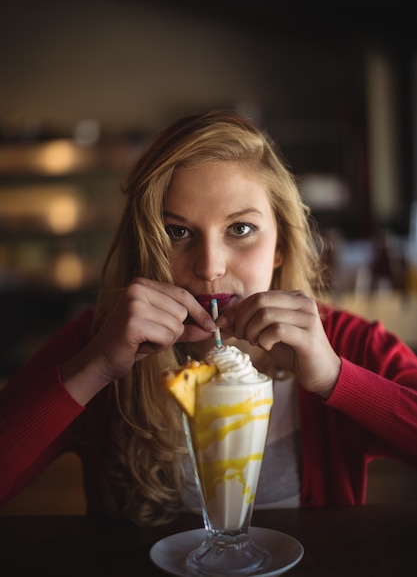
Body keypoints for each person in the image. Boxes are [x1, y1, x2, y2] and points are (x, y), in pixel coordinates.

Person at [1, 110, 416, 526]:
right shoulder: (97, 343)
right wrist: (94, 369)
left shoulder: (347, 344)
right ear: (145, 246)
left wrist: (335, 378)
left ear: (281, 246)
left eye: (240, 229)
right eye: (177, 232)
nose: (210, 267)